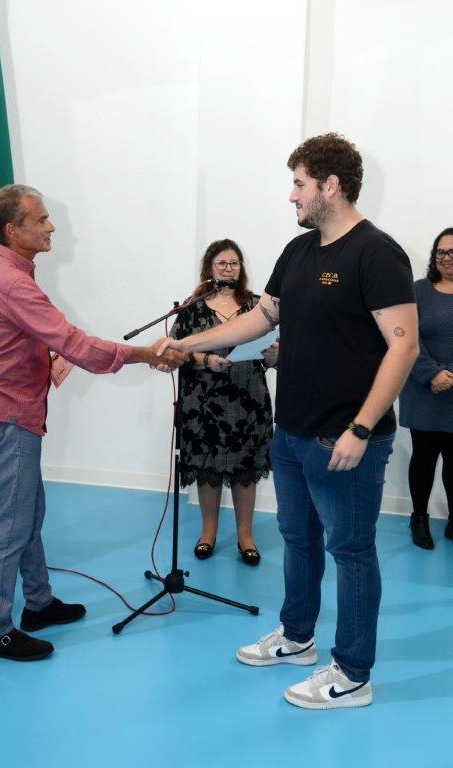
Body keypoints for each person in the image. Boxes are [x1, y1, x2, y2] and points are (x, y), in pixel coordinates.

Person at [158, 133, 418, 709]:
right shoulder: (298, 251)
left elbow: (404, 346)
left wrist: (361, 428)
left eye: (299, 183)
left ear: (331, 185)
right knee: (298, 538)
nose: (291, 195)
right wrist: (186, 343)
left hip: (344, 438)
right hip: (292, 432)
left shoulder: (377, 253)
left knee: (352, 551)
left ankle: (352, 673)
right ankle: (298, 638)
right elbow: (259, 319)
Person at [0, 184, 187, 662]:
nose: (51, 227)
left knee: (28, 513)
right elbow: (73, 343)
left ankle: (38, 603)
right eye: (41, 220)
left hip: (5, 408)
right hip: (9, 413)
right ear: (12, 229)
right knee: (12, 524)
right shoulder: (12, 283)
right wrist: (146, 353)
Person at [170, 239, 276, 565]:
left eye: (234, 263)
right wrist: (206, 360)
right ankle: (208, 533)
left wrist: (275, 355)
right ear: (209, 268)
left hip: (248, 400)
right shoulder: (191, 308)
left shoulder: (258, 307)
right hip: (202, 402)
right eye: (222, 263)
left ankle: (246, 536)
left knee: (246, 470)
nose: (229, 269)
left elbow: (274, 356)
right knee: (208, 469)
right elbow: (177, 351)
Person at [399, 227, 453, 549]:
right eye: (441, 252)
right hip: (423, 388)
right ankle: (419, 518)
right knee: (424, 456)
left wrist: (450, 375)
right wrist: (433, 374)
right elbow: (407, 337)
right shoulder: (418, 290)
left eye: (452, 252)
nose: (447, 258)